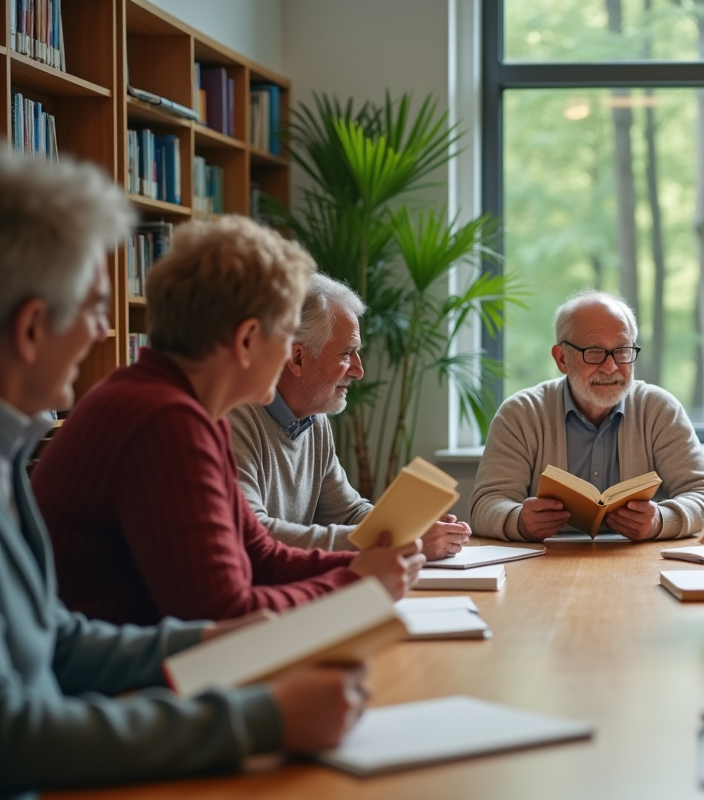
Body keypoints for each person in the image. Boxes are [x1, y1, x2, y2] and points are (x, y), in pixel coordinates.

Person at [0, 152, 370, 797]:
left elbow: (55, 639)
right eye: (92, 307)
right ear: (33, 328)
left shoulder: (34, 444)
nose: (105, 329)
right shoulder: (159, 417)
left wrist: (229, 632)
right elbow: (17, 733)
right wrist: (265, 714)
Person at [33, 215, 424, 626]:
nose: (290, 355)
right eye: (286, 333)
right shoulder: (163, 419)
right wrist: (354, 584)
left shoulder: (190, 408)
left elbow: (262, 558)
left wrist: (360, 569)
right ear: (247, 340)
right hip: (117, 685)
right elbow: (224, 616)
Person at [228, 273, 470, 558]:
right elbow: (257, 534)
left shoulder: (314, 421)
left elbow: (349, 512)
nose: (359, 370)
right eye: (347, 354)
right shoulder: (233, 420)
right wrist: (397, 543)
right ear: (297, 358)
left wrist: (411, 528)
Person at [470, 290, 704, 541]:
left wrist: (660, 520)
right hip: (545, 559)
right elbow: (485, 506)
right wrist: (519, 521)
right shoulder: (521, 414)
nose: (611, 366)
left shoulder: (658, 409)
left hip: (636, 559)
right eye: (594, 352)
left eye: (622, 351)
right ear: (561, 359)